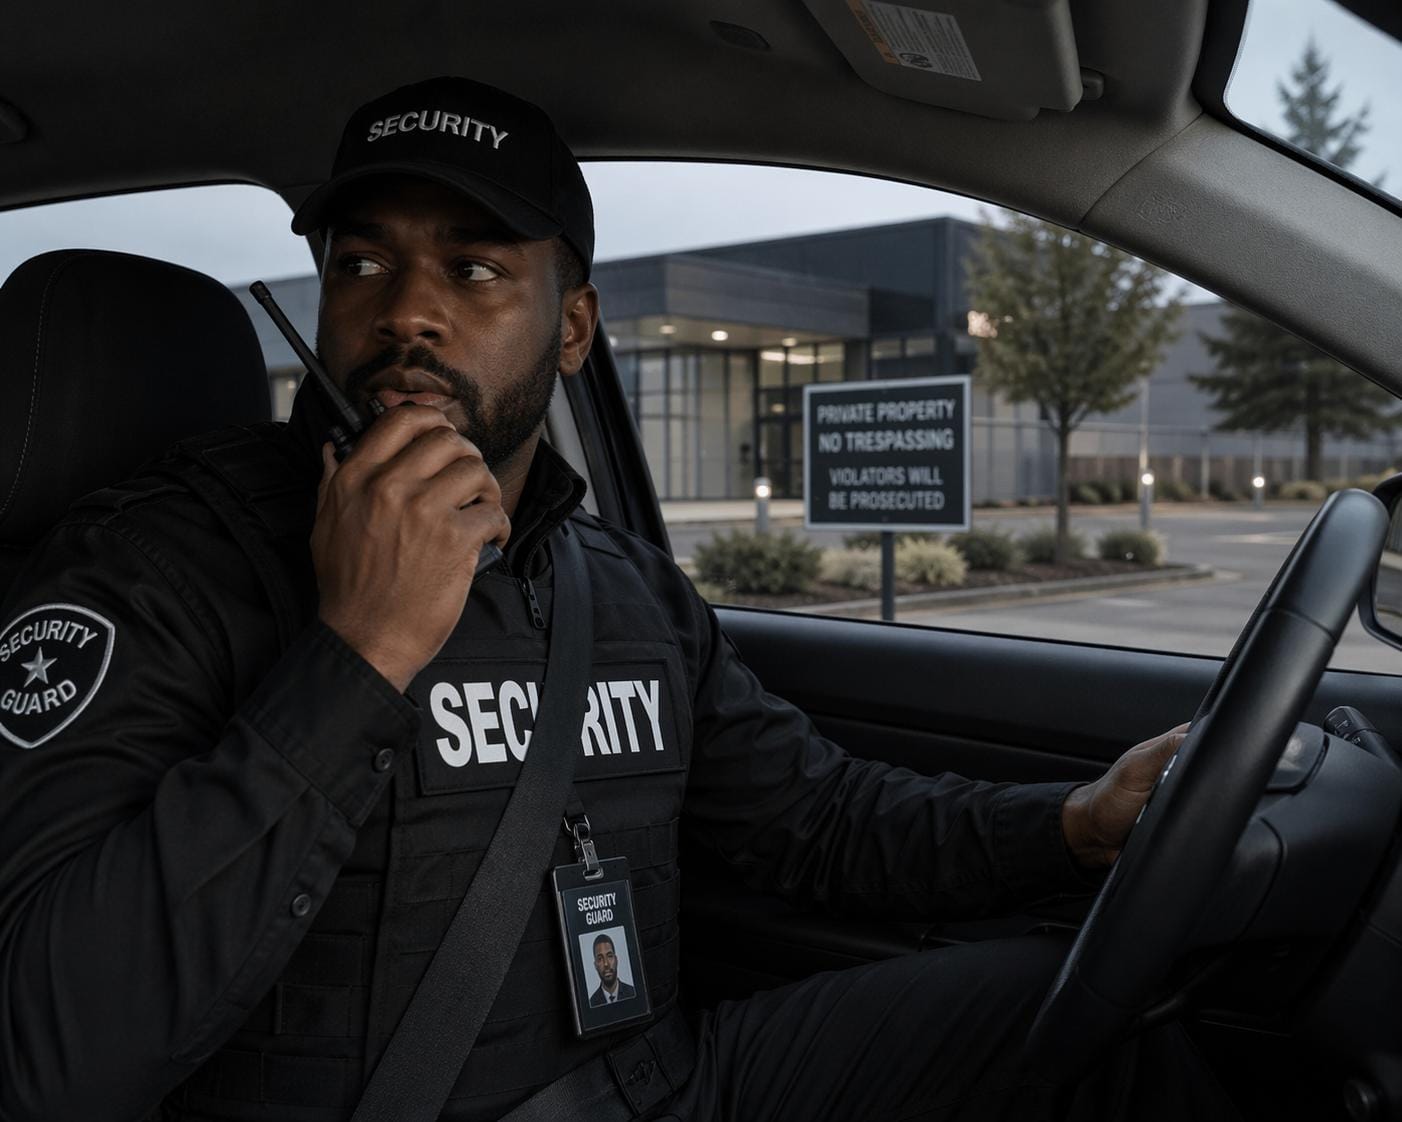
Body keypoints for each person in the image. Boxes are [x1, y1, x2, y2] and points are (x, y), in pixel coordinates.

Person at [0, 76, 1235, 1122]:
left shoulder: (620, 584)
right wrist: (358, 650)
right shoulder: (159, 566)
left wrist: (1069, 824)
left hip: (666, 1086)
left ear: (574, 329)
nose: (405, 310)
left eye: (473, 268)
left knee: (1096, 1007)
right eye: (362, 263)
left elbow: (814, 822)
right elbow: (46, 1052)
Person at [588, 934, 637, 1007]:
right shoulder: (592, 1003)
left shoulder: (633, 993)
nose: (606, 964)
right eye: (600, 959)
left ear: (616, 960)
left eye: (609, 956)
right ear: (595, 965)